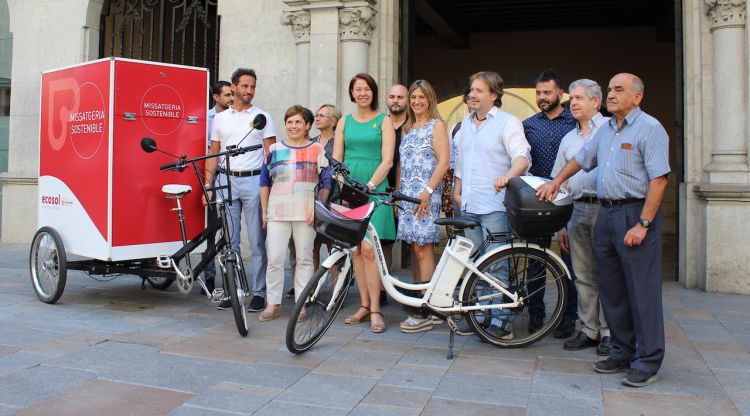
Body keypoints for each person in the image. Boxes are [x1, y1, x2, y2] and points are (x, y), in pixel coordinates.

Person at [537, 73, 670, 388]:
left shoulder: (650, 128)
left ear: (637, 97)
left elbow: (659, 179)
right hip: (606, 215)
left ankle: (647, 360)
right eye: (610, 89)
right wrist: (556, 181)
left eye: (618, 90)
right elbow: (581, 160)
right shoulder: (606, 130)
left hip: (635, 213)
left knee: (641, 292)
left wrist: (644, 224)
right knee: (611, 287)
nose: (611, 94)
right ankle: (622, 351)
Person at [453, 71, 531, 339]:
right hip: (470, 203)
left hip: (496, 204)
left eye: (478, 90)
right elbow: (461, 162)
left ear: (494, 95)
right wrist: (457, 189)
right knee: (475, 263)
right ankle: (483, 315)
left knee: (496, 263)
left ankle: (502, 321)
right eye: (471, 90)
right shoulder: (465, 123)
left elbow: (522, 156)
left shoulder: (508, 123)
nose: (472, 94)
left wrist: (509, 176)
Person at [204, 68, 276, 313]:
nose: (249, 91)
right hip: (226, 182)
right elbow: (214, 152)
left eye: (253, 86)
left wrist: (271, 188)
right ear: (233, 87)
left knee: (257, 241)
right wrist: (208, 185)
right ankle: (233, 291)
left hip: (254, 182)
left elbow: (271, 155)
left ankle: (258, 293)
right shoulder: (221, 119)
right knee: (229, 241)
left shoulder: (263, 117)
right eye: (245, 86)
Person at [333, 73, 396, 333]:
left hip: (375, 187)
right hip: (349, 188)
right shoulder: (343, 122)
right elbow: (337, 159)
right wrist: (343, 184)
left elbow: (388, 160)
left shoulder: (385, 121)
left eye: (367, 89)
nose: (362, 93)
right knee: (356, 250)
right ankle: (363, 305)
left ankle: (376, 310)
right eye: (357, 89)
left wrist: (369, 186)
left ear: (373, 92)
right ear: (352, 93)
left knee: (371, 249)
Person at [552, 79, 611, 354]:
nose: (572, 103)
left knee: (609, 273)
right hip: (576, 210)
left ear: (595, 102)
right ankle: (589, 330)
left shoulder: (612, 130)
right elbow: (558, 181)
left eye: (578, 98)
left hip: (606, 208)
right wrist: (562, 224)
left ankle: (611, 331)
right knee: (583, 274)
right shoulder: (568, 138)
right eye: (571, 99)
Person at [259, 105, 331, 321]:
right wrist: (264, 211)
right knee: (274, 259)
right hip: (277, 212)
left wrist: (319, 208)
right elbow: (264, 182)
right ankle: (273, 304)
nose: (293, 126)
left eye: (298, 122)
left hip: (306, 213)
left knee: (304, 260)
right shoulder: (274, 150)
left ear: (307, 125)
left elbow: (327, 181)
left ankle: (301, 304)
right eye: (290, 122)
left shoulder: (317, 149)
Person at [522, 70, 578, 339]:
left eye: (547, 92)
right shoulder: (529, 124)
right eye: (539, 93)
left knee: (570, 260)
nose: (542, 97)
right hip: (539, 200)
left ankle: (569, 316)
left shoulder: (575, 122)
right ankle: (536, 313)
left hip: (570, 197)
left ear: (561, 94)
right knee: (536, 259)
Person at [396, 80, 449, 333]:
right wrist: (398, 196)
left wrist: (427, 193)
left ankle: (426, 309)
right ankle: (425, 301)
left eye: (421, 97)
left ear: (430, 100)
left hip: (426, 195)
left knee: (422, 248)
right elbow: (401, 166)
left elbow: (444, 163)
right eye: (413, 97)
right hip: (407, 196)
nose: (417, 101)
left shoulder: (436, 126)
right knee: (415, 248)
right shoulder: (407, 128)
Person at [284, 104, 342, 300]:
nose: (317, 118)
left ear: (334, 120)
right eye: (316, 116)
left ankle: (336, 292)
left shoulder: (339, 141)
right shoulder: (311, 141)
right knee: (312, 247)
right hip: (311, 198)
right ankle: (309, 291)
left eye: (322, 116)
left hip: (334, 198)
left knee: (333, 247)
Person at [202, 80, 233, 295]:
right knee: (211, 230)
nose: (232, 98)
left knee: (229, 231)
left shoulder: (235, 118)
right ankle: (210, 277)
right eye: (227, 95)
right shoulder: (207, 118)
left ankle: (230, 276)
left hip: (230, 177)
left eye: (233, 94)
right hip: (212, 177)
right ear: (216, 97)